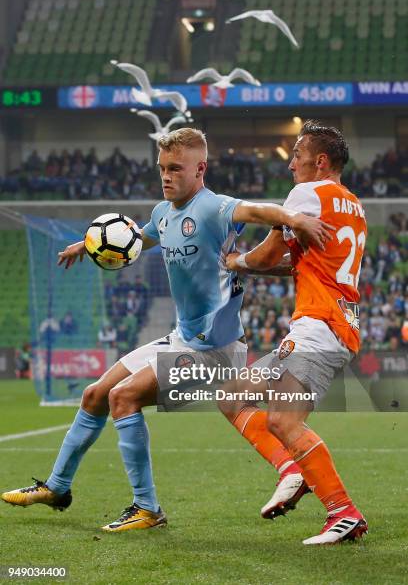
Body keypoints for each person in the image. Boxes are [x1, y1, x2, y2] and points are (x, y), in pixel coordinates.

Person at [2, 128, 332, 533]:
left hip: (217, 352)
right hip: (182, 339)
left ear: (200, 169)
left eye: (176, 168)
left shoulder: (213, 207)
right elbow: (134, 238)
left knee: (124, 398)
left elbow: (257, 211)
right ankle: (56, 487)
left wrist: (295, 218)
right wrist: (84, 246)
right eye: (162, 168)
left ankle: (147, 508)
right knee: (95, 395)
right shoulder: (163, 213)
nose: (167, 176)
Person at [220, 120, 368, 545]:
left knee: (284, 420)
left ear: (320, 162)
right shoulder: (354, 206)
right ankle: (292, 470)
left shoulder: (308, 194)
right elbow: (304, 264)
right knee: (233, 394)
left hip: (318, 328)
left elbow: (268, 254)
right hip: (336, 325)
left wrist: (236, 262)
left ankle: (343, 511)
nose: (291, 166)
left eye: (297, 155)